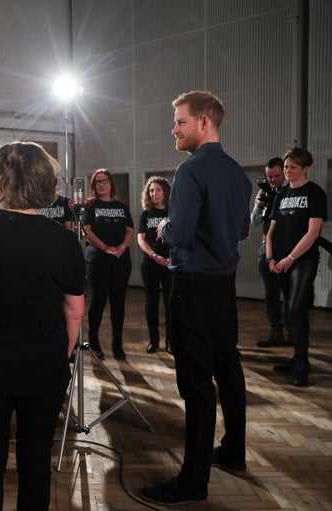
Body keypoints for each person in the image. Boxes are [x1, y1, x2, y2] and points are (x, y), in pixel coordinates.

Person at [0, 141, 86, 511]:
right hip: (43, 363)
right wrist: (63, 354)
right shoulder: (62, 239)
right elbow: (74, 311)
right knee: (35, 462)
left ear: (0, 179)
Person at [140, 91, 252, 506]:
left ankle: (192, 482)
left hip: (192, 288)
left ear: (204, 122)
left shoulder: (190, 171)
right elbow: (241, 230)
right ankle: (235, 453)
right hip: (225, 288)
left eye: (180, 122)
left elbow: (180, 235)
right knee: (229, 371)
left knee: (196, 385)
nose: (174, 129)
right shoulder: (238, 175)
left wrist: (165, 227)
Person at [267, 148, 326, 387]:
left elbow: (313, 233)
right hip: (279, 260)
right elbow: (271, 229)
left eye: (292, 167)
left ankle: (302, 363)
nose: (287, 171)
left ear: (305, 168)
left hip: (302, 260)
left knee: (294, 309)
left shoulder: (315, 193)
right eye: (286, 166)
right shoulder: (281, 194)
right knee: (292, 311)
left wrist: (290, 258)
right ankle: (296, 357)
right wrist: (270, 258)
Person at [82, 169, 134, 360]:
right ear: (94, 186)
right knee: (98, 301)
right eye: (97, 182)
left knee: (118, 303)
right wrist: (105, 248)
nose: (101, 185)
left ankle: (117, 343)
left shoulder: (121, 205)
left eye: (104, 181)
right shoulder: (91, 205)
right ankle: (94, 342)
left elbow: (130, 230)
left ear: (111, 183)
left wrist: (121, 248)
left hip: (120, 260)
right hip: (98, 260)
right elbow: (85, 231)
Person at [251, 158, 288, 347]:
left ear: (285, 172)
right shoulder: (264, 191)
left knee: (291, 293)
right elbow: (254, 222)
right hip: (267, 247)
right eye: (270, 176)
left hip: (289, 248)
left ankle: (293, 332)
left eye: (277, 176)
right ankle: (276, 332)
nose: (273, 180)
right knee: (271, 293)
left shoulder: (292, 190)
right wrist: (259, 205)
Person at [136, 176, 173, 354]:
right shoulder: (146, 214)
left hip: (171, 263)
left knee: (170, 303)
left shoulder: (174, 211)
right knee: (151, 303)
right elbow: (141, 239)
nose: (154, 194)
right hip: (151, 263)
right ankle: (154, 340)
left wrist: (171, 258)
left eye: (158, 190)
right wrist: (153, 254)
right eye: (151, 190)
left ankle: (170, 342)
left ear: (165, 191)